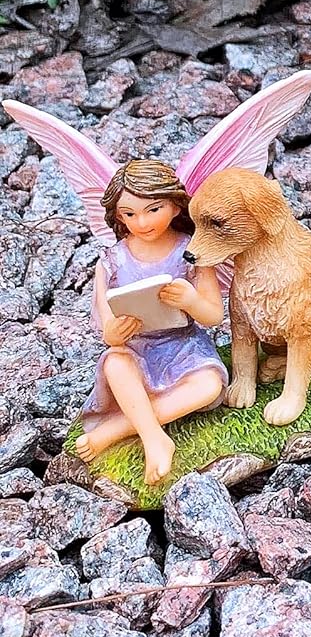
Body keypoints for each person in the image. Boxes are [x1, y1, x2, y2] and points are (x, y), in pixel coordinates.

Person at [76, 160, 228, 485]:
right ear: (118, 216)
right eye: (129, 214)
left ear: (176, 206)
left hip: (184, 347)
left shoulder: (192, 252)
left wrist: (191, 301)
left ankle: (118, 428)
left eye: (153, 209)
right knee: (115, 364)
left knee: (209, 385)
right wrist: (115, 332)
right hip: (137, 350)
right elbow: (108, 331)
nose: (142, 222)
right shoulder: (111, 261)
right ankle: (154, 438)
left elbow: (214, 315)